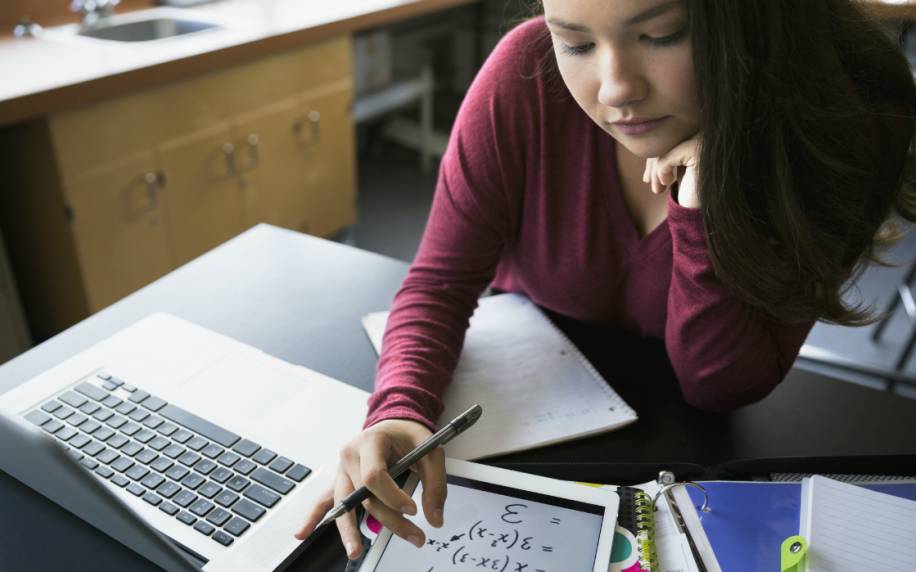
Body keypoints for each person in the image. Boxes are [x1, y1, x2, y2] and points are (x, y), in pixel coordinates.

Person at [296, 0, 916, 560]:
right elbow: (439, 282)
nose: (617, 89)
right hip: (535, 422)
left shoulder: (838, 128)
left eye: (662, 34)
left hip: (695, 447)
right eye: (577, 44)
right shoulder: (524, 80)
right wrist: (399, 410)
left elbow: (720, 382)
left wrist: (705, 205)